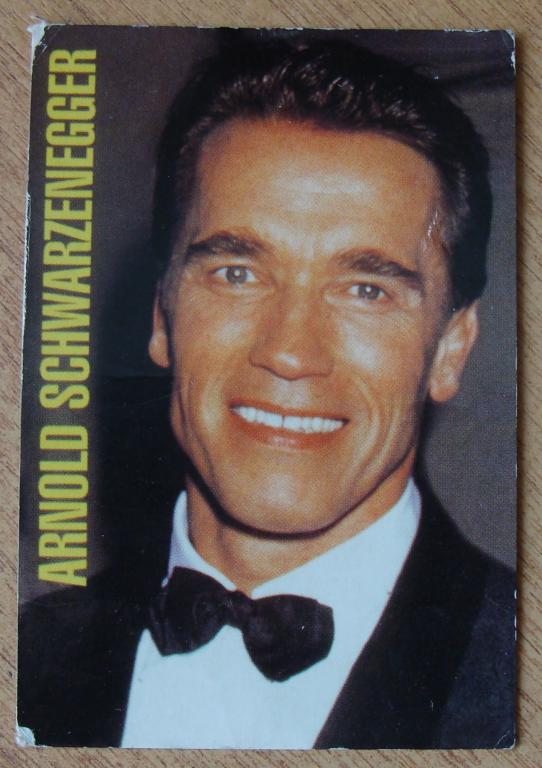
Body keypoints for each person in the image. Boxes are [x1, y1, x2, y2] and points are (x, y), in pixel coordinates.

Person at [18, 36, 515, 749]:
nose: (289, 352)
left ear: (451, 348)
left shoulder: (517, 670)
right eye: (238, 275)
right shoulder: (29, 660)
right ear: (161, 315)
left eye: (365, 290)